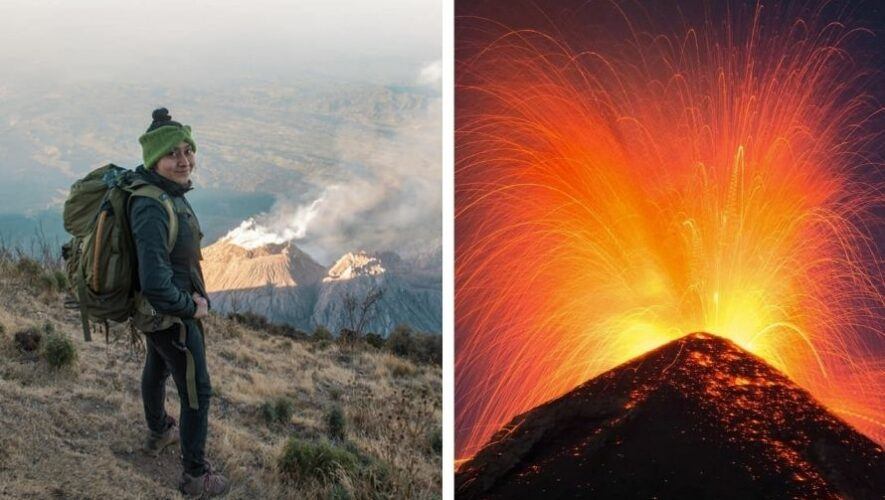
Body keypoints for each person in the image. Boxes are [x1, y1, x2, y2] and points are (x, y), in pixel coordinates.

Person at [129, 108, 229, 497]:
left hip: (155, 317)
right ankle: (195, 473)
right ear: (155, 159)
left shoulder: (164, 192)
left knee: (157, 367)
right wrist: (190, 309)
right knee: (196, 391)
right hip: (170, 316)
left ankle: (158, 431)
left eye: (188, 150)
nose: (184, 159)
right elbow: (156, 282)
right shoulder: (153, 206)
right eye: (173, 153)